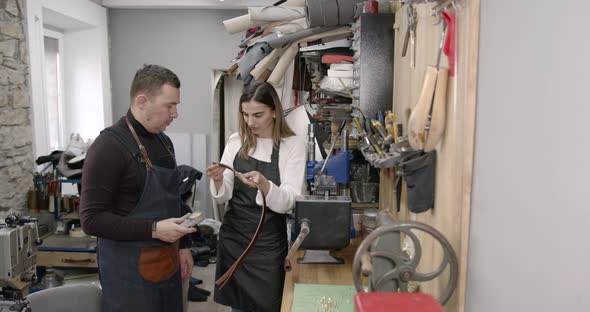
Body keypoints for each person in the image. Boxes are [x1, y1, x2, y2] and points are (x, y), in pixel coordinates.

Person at [80, 64, 196, 312]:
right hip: (128, 275)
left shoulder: (164, 143)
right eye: (169, 105)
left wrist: (184, 247)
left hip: (167, 265)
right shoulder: (108, 147)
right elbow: (91, 220)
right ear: (142, 101)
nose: (175, 114)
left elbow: (173, 200)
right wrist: (153, 229)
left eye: (176, 105)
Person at [207, 80, 306, 312]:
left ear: (274, 112)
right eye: (245, 115)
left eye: (258, 115)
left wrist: (265, 185)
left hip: (268, 247)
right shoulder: (235, 142)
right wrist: (219, 179)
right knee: (238, 308)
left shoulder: (292, 145)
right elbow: (224, 196)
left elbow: (291, 199)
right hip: (235, 241)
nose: (250, 122)